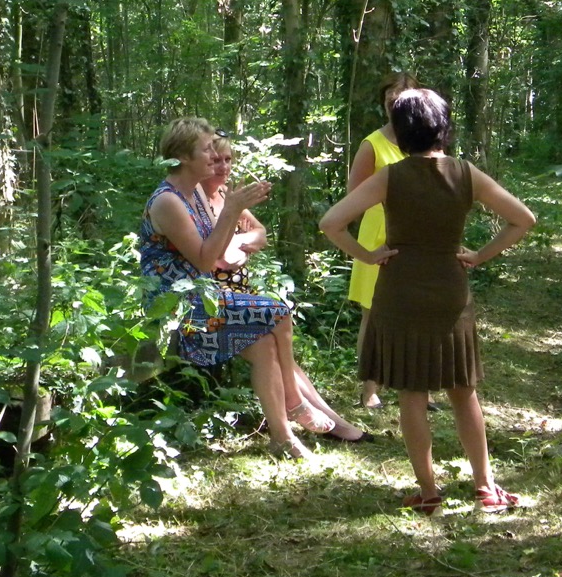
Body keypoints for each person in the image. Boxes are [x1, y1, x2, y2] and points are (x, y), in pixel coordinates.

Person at [320, 89, 536, 514]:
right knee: (463, 390)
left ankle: (429, 492)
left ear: (400, 131)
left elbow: (331, 222)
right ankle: (486, 487)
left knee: (411, 393)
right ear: (443, 126)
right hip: (450, 291)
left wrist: (369, 255)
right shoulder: (465, 173)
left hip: (398, 289)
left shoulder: (392, 176)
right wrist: (479, 256)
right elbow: (522, 219)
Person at [138, 117, 334, 460]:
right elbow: (204, 260)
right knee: (278, 311)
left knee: (264, 346)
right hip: (179, 307)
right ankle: (293, 400)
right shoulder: (168, 200)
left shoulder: (195, 192)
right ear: (184, 157)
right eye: (207, 149)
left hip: (207, 297)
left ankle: (282, 437)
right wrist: (231, 211)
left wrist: (235, 216)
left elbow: (229, 245)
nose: (215, 155)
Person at [196, 131, 373, 444]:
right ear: (202, 161)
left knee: (276, 349)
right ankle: (302, 410)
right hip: (214, 303)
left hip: (241, 296)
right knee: (277, 322)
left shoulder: (225, 195)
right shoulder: (194, 201)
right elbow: (214, 259)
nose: (222, 166)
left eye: (227, 160)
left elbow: (260, 233)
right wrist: (232, 247)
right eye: (215, 160)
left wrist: (239, 241)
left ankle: (327, 421)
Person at [346, 73, 421, 410]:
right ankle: (369, 390)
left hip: (418, 238)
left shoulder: (425, 141)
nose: (394, 101)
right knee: (374, 316)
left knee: (417, 314)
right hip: (378, 236)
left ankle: (416, 387)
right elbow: (353, 197)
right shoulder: (372, 144)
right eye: (389, 96)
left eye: (401, 95)